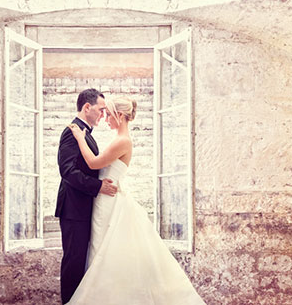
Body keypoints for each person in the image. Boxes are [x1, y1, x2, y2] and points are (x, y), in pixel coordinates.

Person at [66, 96, 205, 305]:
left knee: (107, 254)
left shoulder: (123, 141)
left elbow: (94, 164)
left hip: (110, 205)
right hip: (105, 200)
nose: (105, 119)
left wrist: (79, 138)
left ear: (120, 116)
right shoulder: (119, 140)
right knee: (103, 253)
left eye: (109, 115)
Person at [55, 88, 119, 304]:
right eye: (101, 110)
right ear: (87, 107)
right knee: (74, 262)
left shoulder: (84, 133)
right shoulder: (71, 131)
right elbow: (68, 172)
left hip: (83, 208)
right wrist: (98, 186)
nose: (103, 114)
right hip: (73, 210)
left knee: (82, 262)